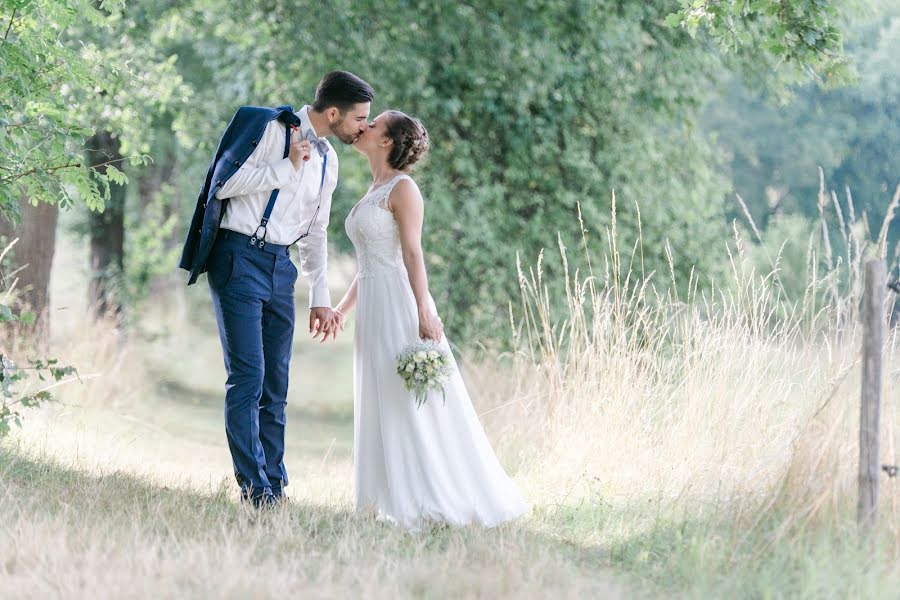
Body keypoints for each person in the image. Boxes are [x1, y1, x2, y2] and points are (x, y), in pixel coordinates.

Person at [179, 71, 373, 507]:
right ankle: (254, 489)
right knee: (248, 376)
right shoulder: (271, 129)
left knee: (277, 383)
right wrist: (285, 167)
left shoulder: (331, 161)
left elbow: (316, 231)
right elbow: (222, 186)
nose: (364, 126)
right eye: (360, 118)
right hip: (237, 256)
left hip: (280, 267)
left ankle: (274, 482)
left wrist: (321, 298)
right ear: (335, 113)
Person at [335, 110, 528, 529]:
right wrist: (341, 310)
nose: (364, 126)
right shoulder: (374, 188)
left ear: (386, 141)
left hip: (400, 304)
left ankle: (430, 495)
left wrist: (423, 308)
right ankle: (384, 496)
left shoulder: (403, 189)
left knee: (409, 397)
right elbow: (368, 262)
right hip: (373, 304)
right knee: (378, 392)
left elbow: (411, 253)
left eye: (374, 123)